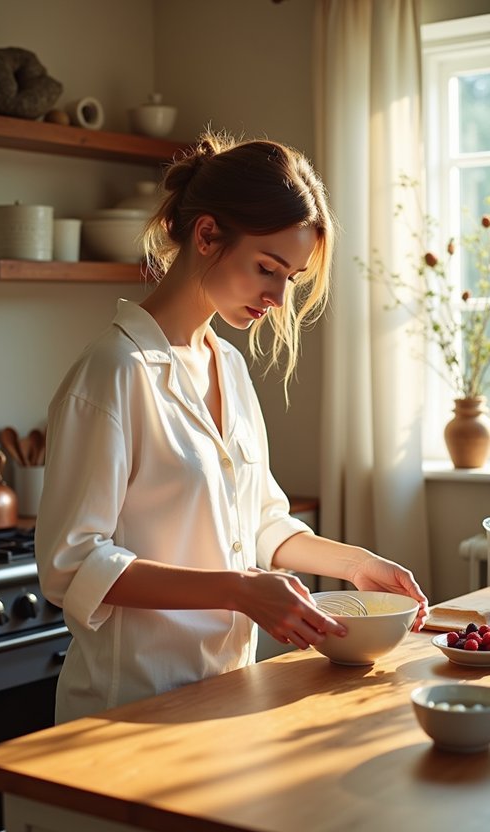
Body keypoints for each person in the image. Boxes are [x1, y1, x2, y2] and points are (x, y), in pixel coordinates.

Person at [35, 131, 428, 724]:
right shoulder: (113, 373)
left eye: (290, 278)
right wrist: (237, 589)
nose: (276, 295)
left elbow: (262, 523)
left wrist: (354, 565)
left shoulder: (231, 366)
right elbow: (71, 564)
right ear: (208, 234)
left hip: (226, 697)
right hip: (130, 710)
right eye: (267, 268)